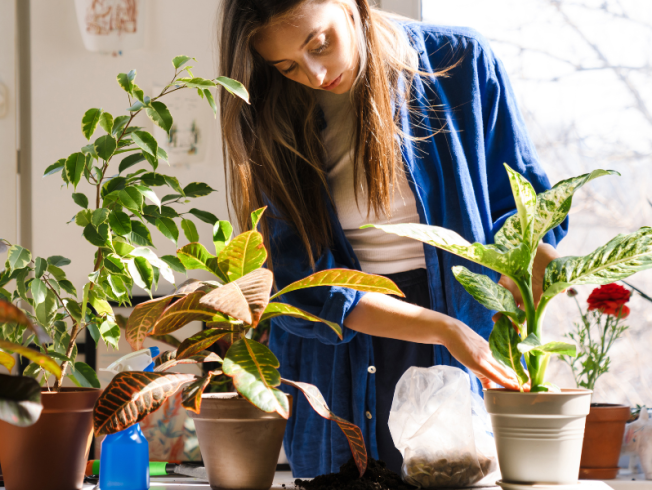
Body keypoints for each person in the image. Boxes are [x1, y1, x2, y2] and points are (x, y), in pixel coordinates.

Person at [216, 0, 565, 478]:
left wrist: (537, 258)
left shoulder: (460, 60)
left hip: (463, 338)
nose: (315, 75)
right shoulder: (270, 110)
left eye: (320, 44)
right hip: (343, 353)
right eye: (288, 65)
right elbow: (304, 288)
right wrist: (441, 328)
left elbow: (521, 203)